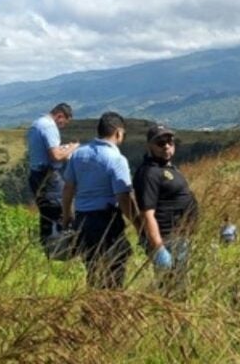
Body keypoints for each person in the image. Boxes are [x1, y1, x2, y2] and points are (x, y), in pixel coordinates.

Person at [62, 112, 135, 289]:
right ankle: (107, 311)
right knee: (113, 273)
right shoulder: (116, 159)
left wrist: (67, 216)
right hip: (106, 222)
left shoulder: (78, 155)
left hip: (82, 221)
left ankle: (92, 311)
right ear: (118, 133)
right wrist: (138, 222)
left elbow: (68, 188)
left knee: (93, 269)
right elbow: (123, 197)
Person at [133, 124, 198, 299]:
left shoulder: (167, 168)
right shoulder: (150, 173)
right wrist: (159, 248)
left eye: (170, 141)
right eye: (160, 143)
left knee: (180, 287)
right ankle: (171, 325)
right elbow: (147, 214)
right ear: (149, 146)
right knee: (171, 291)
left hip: (180, 239)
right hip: (168, 239)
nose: (167, 146)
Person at [26, 103, 80, 257]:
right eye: (63, 122)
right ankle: (61, 252)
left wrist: (63, 148)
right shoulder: (49, 127)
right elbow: (55, 156)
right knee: (61, 210)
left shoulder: (37, 123)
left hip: (36, 174)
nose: (62, 126)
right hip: (48, 176)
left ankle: (48, 250)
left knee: (46, 213)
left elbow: (46, 152)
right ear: (60, 116)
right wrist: (73, 148)